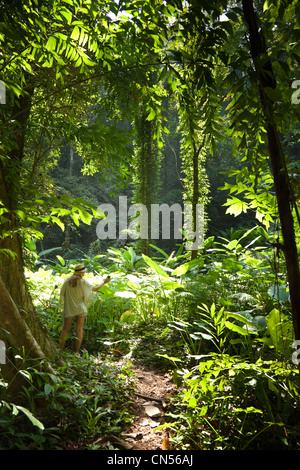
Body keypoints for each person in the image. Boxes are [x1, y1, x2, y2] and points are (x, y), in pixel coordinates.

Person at [59, 263, 111, 353]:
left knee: (65, 330)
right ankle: (76, 352)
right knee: (79, 329)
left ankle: (60, 350)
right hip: (81, 308)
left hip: (69, 308)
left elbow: (62, 294)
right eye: (84, 272)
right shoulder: (83, 282)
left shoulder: (67, 281)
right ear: (82, 273)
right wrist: (104, 282)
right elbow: (95, 289)